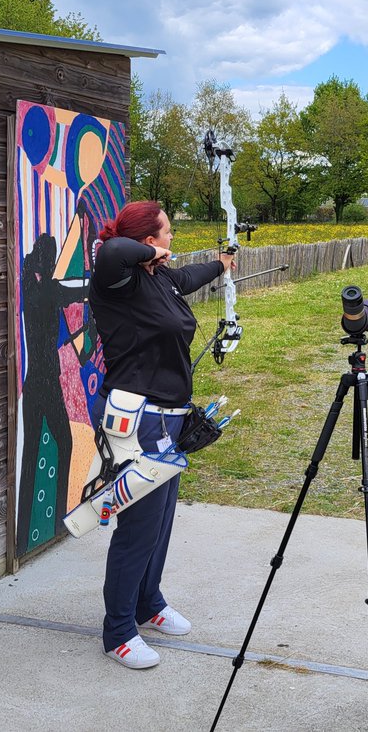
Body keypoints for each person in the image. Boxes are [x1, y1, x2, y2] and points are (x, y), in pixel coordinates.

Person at [88, 200, 233, 669]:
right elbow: (113, 251)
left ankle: (148, 603)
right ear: (148, 241)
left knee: (161, 521)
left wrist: (222, 263)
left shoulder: (160, 279)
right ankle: (118, 632)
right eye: (167, 233)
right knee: (138, 527)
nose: (173, 240)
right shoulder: (118, 281)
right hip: (139, 422)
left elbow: (189, 277)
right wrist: (150, 252)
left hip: (171, 419)